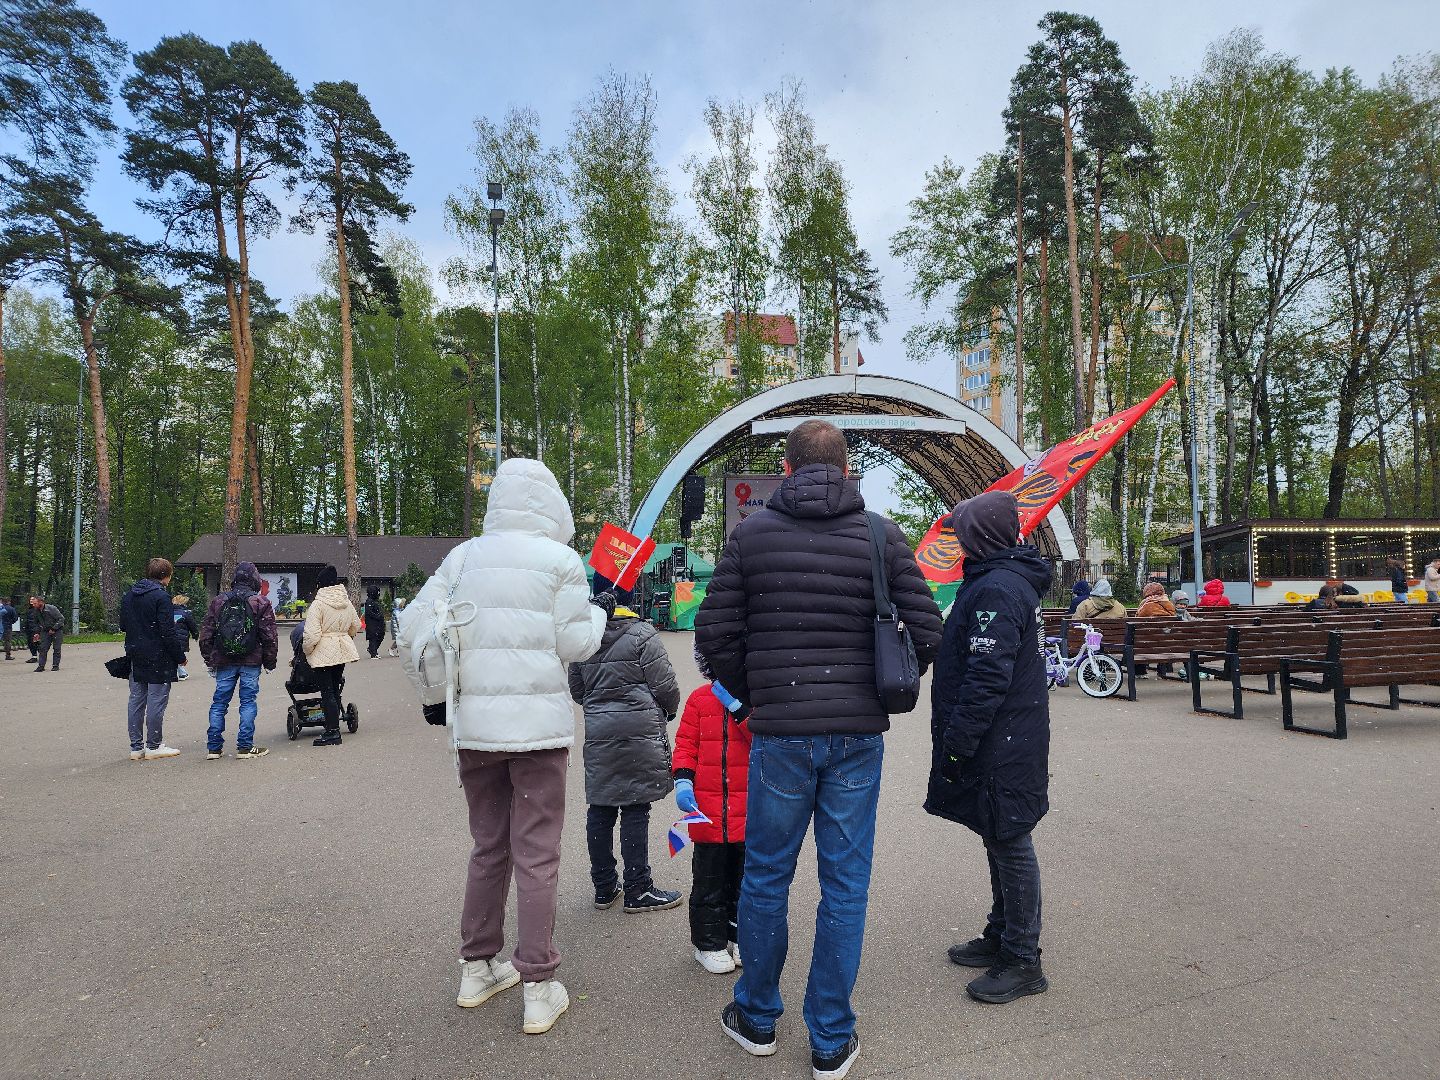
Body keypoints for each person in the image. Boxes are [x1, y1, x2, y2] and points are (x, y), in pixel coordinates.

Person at [695, 419, 943, 1080]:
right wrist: (878, 688)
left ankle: (756, 1017)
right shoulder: (880, 535)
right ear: (845, 469)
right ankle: (831, 1038)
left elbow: (713, 633)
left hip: (778, 736)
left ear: (786, 466)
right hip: (858, 739)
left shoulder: (750, 536)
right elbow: (928, 631)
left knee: (767, 874)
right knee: (846, 885)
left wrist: (756, 698)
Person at [398, 458, 606, 1037]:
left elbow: (417, 622)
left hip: (476, 731)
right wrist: (597, 612)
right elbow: (576, 644)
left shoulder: (464, 556)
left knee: (488, 847)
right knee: (537, 854)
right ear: (549, 504)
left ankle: (477, 966)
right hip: (538, 733)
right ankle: (539, 985)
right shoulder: (561, 562)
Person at [927, 490, 1052, 1006]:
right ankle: (1001, 932)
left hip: (1003, 742)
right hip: (1003, 738)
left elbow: (987, 677)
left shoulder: (998, 589)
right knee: (995, 831)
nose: (956, 542)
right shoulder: (994, 581)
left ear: (979, 538)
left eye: (962, 533)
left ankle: (1022, 959)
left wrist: (957, 743)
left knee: (1009, 839)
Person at [569, 575, 682, 914]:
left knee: (601, 807)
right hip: (639, 731)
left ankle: (604, 887)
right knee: (635, 806)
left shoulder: (584, 639)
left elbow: (577, 689)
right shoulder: (642, 635)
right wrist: (668, 711)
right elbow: (666, 686)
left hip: (601, 733)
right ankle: (638, 887)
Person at [673, 646, 752, 974]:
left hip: (747, 814)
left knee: (744, 883)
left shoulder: (752, 702)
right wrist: (682, 780)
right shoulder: (699, 699)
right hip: (707, 815)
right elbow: (686, 744)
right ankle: (708, 944)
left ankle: (738, 939)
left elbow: (761, 738)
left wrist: (738, 709)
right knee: (709, 883)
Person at [199, 561, 278, 761]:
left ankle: (214, 748)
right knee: (248, 702)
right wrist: (269, 662)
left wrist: (210, 658)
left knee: (219, 703)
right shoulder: (260, 602)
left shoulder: (218, 601)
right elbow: (269, 636)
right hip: (251, 660)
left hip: (224, 659)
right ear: (255, 579)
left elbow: (206, 634)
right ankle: (245, 747)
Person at [119, 558, 186, 761]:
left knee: (136, 700)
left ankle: (136, 747)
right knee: (156, 700)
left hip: (134, 653)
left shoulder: (130, 595)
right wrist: (180, 656)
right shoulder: (161, 597)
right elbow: (168, 631)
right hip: (158, 656)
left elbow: (123, 625)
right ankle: (154, 746)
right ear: (166, 575)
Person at [302, 565, 362, 747]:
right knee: (335, 689)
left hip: (323, 651)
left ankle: (332, 731)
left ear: (320, 585)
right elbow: (356, 625)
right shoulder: (346, 602)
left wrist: (307, 650)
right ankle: (334, 724)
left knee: (327, 691)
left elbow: (311, 635)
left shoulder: (318, 604)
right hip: (341, 650)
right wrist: (345, 636)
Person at [31, 595, 64, 672]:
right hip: (45, 631)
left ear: (41, 602)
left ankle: (55, 665)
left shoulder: (51, 608)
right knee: (42, 648)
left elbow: (61, 619)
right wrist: (37, 633)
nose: (33, 605)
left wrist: (54, 628)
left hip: (57, 631)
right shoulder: (36, 611)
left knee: (56, 648)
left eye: (35, 603)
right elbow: (36, 622)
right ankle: (41, 666)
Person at [172, 595, 199, 680]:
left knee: (173, 654)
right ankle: (182, 673)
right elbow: (192, 626)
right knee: (180, 655)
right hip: (182, 638)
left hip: (170, 637)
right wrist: (195, 635)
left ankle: (178, 672)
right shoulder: (185, 613)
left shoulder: (167, 612)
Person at [363, 584, 386, 659]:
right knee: (373, 638)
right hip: (372, 625)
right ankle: (374, 653)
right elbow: (369, 612)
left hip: (378, 625)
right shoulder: (369, 601)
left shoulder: (374, 601)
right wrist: (378, 616)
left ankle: (372, 649)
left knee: (380, 636)